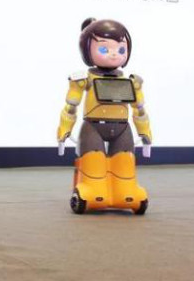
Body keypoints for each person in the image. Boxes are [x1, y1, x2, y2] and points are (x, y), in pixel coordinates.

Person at [57, 18, 151, 215]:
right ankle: (92, 190)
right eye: (104, 49)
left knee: (125, 165)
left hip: (122, 127)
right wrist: (64, 131)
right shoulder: (83, 79)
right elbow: (71, 106)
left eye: (121, 49)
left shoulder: (131, 82)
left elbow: (139, 109)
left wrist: (145, 132)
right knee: (94, 165)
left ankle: (126, 192)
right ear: (86, 50)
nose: (114, 54)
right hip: (93, 127)